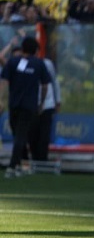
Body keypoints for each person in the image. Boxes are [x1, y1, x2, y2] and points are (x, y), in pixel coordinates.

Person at [0, 37, 51, 178]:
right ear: (35, 50)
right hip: (29, 106)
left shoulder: (13, 62)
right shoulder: (39, 64)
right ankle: (14, 166)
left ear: (22, 49)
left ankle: (14, 166)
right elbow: (45, 85)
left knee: (18, 135)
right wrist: (41, 103)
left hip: (14, 105)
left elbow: (4, 82)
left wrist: (1, 101)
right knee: (20, 136)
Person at [28, 55, 61, 163]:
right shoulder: (25, 63)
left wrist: (57, 100)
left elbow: (53, 81)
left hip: (47, 104)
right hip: (32, 104)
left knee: (44, 132)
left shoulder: (47, 64)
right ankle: (35, 157)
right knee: (33, 132)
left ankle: (42, 158)